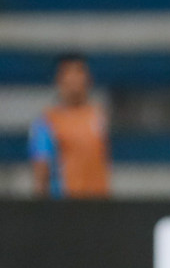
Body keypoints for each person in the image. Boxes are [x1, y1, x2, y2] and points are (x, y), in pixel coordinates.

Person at [30, 53, 111, 198]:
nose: (74, 79)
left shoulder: (98, 116)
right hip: (66, 204)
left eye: (79, 72)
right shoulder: (48, 122)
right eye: (68, 73)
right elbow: (42, 168)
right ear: (59, 79)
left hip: (98, 203)